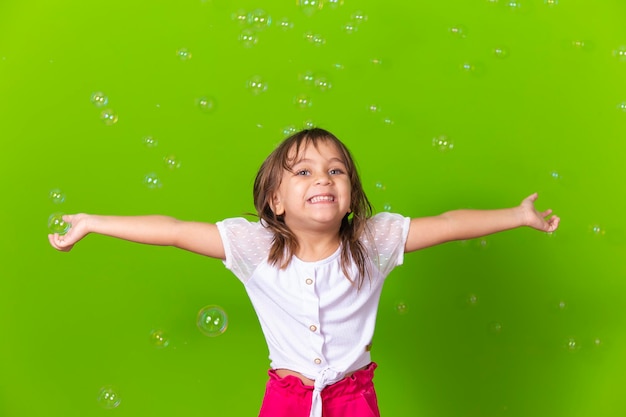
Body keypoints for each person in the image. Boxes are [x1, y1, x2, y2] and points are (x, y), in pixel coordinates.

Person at [48, 128, 560, 417]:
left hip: (353, 397)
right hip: (287, 399)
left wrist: (517, 216)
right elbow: (175, 229)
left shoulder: (372, 241)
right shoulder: (252, 246)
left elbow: (449, 224)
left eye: (336, 170)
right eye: (304, 171)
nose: (324, 178)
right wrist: (92, 222)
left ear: (350, 195)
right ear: (275, 200)